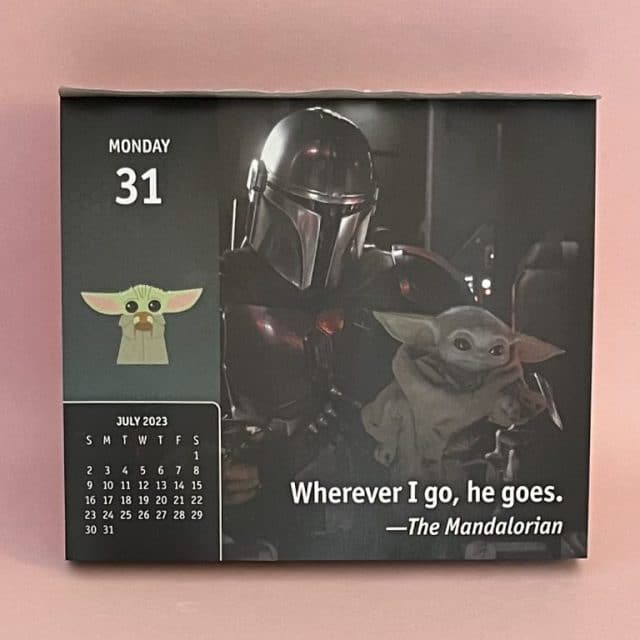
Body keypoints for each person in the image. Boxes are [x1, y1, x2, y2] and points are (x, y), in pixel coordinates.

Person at [220, 107, 478, 560]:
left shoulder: (411, 287)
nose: (324, 224)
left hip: (386, 536)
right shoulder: (218, 291)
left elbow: (500, 413)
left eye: (341, 211)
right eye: (313, 206)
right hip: (263, 541)